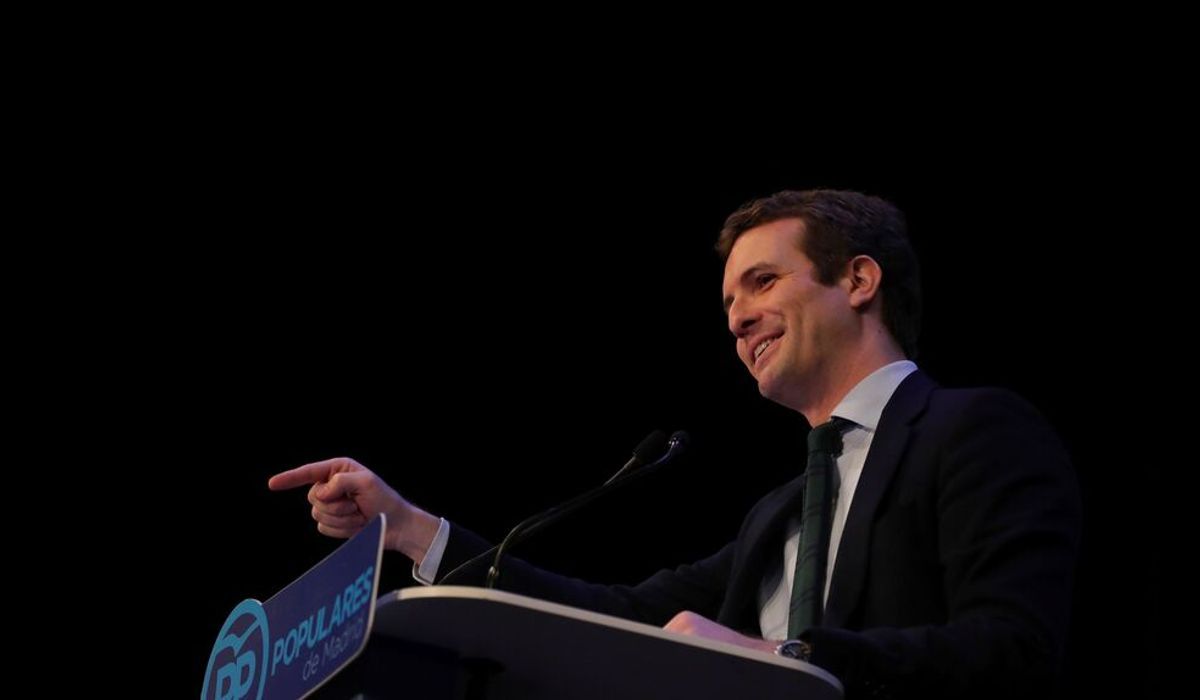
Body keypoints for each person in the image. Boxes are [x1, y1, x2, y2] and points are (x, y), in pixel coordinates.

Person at [269, 189, 1081, 699]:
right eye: (729, 303)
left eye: (763, 281)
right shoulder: (780, 513)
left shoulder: (973, 429)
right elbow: (614, 618)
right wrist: (410, 527)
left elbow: (1015, 649)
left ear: (858, 281)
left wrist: (784, 656)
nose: (737, 318)